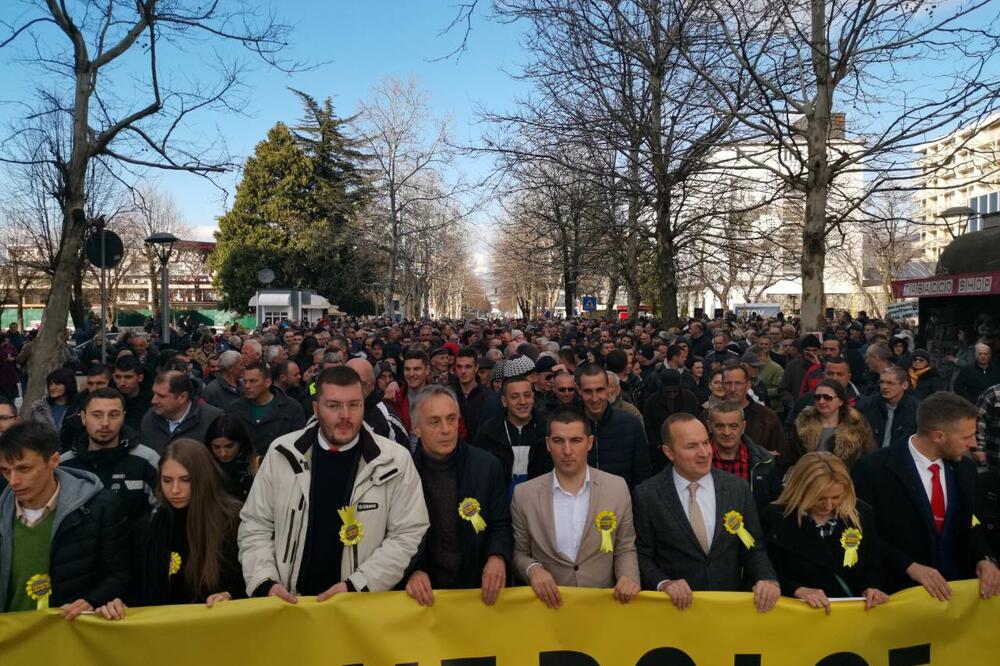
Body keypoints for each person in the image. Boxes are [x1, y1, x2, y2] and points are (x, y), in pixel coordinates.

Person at [238, 366, 429, 600]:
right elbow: (255, 525)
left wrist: (358, 585)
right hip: (291, 604)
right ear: (316, 410)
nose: (345, 415)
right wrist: (265, 582)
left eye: (354, 404)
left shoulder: (394, 461)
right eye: (334, 406)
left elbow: (408, 533)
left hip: (357, 607)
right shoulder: (282, 454)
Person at [852, 392, 1000, 599]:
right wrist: (908, 566)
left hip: (955, 601)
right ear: (939, 436)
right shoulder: (872, 470)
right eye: (966, 437)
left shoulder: (966, 469)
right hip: (898, 597)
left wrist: (984, 559)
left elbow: (970, 524)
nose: (974, 444)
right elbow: (861, 534)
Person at [632, 414, 780, 611]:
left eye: (705, 443)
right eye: (691, 446)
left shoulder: (737, 488)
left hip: (728, 609)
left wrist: (767, 578)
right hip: (675, 612)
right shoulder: (647, 494)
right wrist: (664, 583)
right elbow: (642, 554)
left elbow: (753, 546)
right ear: (669, 452)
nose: (704, 453)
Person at [95, 439, 245, 619]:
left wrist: (231, 596)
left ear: (203, 477)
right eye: (167, 480)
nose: (175, 490)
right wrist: (118, 603)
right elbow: (133, 587)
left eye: (185, 480)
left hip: (215, 631)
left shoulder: (233, 522)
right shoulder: (147, 527)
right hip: (161, 635)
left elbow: (249, 581)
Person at [511, 406, 641, 608]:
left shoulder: (616, 488)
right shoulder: (524, 495)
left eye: (575, 440)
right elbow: (520, 552)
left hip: (603, 606)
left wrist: (629, 577)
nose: (567, 450)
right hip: (548, 607)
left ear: (589, 443)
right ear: (547, 444)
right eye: (558, 441)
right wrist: (533, 569)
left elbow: (624, 546)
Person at [0, 422, 128, 617]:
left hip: (72, 636)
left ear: (54, 460)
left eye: (24, 468)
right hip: (13, 640)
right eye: (5, 470)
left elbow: (120, 575)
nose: (13, 481)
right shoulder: (3, 511)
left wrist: (93, 601)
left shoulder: (100, 507)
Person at [404, 386, 512, 607]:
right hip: (425, 599)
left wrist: (497, 556)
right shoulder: (403, 475)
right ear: (416, 429)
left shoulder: (487, 466)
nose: (446, 429)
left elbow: (501, 523)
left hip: (479, 594)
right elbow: (397, 534)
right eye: (434, 422)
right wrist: (413, 571)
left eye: (451, 419)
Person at [763, 452, 889, 612]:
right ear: (801, 490)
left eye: (836, 497)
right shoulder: (776, 516)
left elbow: (873, 565)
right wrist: (796, 589)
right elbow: (766, 571)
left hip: (849, 617)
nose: (828, 506)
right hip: (797, 615)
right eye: (820, 498)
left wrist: (871, 588)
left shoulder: (861, 514)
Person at [59, 388, 159, 525]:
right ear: (83, 418)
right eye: (97, 415)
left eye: (113, 415)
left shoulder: (146, 460)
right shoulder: (64, 465)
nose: (105, 423)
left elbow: (163, 511)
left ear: (123, 417)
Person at [577, 364, 651, 490]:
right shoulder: (569, 426)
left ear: (608, 390)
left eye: (599, 390)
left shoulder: (630, 424)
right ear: (579, 391)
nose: (594, 398)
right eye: (588, 391)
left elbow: (642, 475)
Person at [473, 375, 548, 490]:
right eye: (514, 397)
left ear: (533, 398)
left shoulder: (546, 430)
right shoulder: (488, 432)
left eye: (527, 395)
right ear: (504, 401)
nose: (522, 402)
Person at [707, 401, 781, 515]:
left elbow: (774, 505)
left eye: (733, 426)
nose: (727, 432)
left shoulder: (765, 461)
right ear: (710, 427)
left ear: (743, 427)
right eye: (720, 426)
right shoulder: (696, 460)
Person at [790, 380, 876, 468]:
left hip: (847, 479)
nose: (821, 401)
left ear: (840, 401)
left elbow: (870, 457)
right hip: (809, 478)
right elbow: (792, 457)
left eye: (827, 397)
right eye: (817, 397)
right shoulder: (802, 424)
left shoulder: (858, 425)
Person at [140, 371, 225, 455]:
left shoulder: (214, 419)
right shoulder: (150, 417)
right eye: (154, 394)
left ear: (182, 397)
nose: (153, 401)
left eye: (161, 396)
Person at [232, 361, 306, 456]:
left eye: (253, 381)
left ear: (267, 382)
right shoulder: (235, 408)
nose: (247, 386)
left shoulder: (292, 408)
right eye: (245, 381)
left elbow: (300, 444)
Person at [722, 364, 790, 460]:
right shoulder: (708, 415)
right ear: (722, 385)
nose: (733, 389)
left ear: (748, 385)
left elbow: (783, 456)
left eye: (738, 383)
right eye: (728, 383)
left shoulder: (767, 417)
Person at [643, 368, 700, 473]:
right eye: (668, 391)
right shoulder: (651, 403)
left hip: (688, 448)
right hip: (662, 454)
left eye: (674, 391)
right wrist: (657, 445)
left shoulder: (689, 399)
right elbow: (648, 427)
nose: (671, 394)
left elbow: (697, 420)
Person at [344, 358, 409, 449]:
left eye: (361, 384)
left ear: (372, 385)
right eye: (348, 382)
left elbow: (404, 458)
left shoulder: (387, 417)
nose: (353, 387)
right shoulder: (330, 411)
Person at [857, 366, 919, 450]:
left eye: (890, 383)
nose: (884, 386)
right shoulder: (866, 405)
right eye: (882, 382)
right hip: (870, 457)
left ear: (904, 385)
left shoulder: (916, 410)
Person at [204, 415, 259, 501]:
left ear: (240, 442)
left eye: (229, 446)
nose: (223, 453)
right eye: (217, 447)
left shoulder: (256, 468)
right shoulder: (204, 467)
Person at [453, 347, 490, 440]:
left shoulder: (488, 396)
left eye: (468, 366)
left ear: (476, 368)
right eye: (459, 366)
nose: (463, 371)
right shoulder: (448, 395)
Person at [112, 355, 152, 434]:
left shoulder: (152, 401)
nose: (122, 383)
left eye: (128, 377)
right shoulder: (108, 399)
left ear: (140, 378)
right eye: (118, 377)